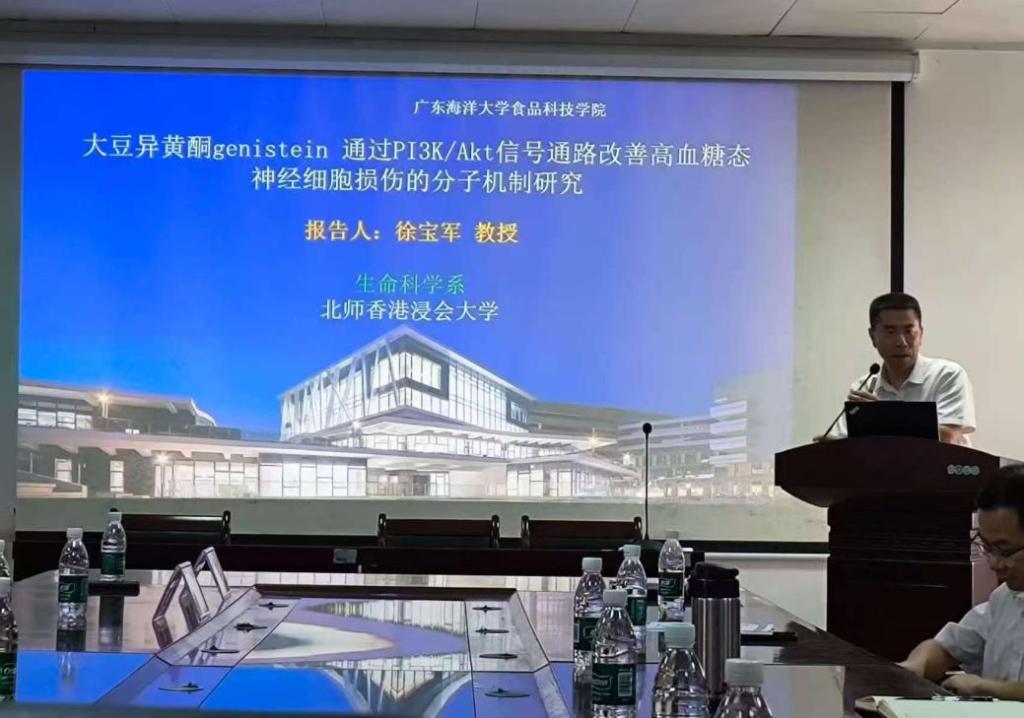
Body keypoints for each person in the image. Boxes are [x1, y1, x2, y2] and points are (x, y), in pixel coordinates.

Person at [898, 465, 1024, 699]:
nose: (994, 563)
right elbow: (946, 647)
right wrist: (915, 666)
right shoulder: (1004, 599)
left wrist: (986, 688)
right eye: (987, 547)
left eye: (1005, 550)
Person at [827, 292, 975, 445]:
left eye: (909, 331)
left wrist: (881, 416)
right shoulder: (864, 386)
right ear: (872, 337)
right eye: (890, 332)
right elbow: (842, 441)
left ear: (921, 334)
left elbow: (948, 437)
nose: (901, 342)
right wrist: (828, 446)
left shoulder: (947, 375)